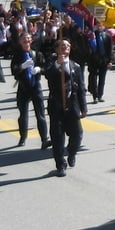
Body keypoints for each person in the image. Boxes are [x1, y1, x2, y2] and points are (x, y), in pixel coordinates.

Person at [45, 39, 87, 177]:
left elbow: (81, 88)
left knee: (77, 134)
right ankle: (60, 165)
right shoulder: (52, 64)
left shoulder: (76, 66)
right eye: (62, 46)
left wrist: (83, 107)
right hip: (56, 105)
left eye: (68, 45)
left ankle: (72, 152)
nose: (65, 47)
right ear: (57, 49)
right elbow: (48, 75)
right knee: (57, 137)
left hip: (72, 104)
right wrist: (58, 63)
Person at [10, 32, 50, 149]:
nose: (26, 41)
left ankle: (44, 139)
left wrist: (39, 69)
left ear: (31, 40)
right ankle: (23, 137)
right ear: (20, 41)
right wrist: (22, 67)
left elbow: (45, 67)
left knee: (40, 114)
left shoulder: (36, 54)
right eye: (24, 39)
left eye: (28, 38)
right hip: (23, 87)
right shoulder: (17, 55)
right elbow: (14, 70)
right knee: (23, 115)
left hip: (35, 87)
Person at [87, 22, 113, 103]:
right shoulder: (92, 35)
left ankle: (100, 95)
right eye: (98, 25)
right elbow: (89, 47)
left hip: (104, 60)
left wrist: (110, 61)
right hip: (94, 60)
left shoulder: (107, 36)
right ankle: (94, 96)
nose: (99, 27)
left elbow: (109, 49)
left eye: (101, 25)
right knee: (94, 78)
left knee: (102, 78)